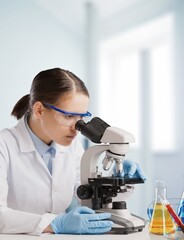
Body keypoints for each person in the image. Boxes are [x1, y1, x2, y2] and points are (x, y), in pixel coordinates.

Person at [0, 68, 146, 235]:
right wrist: (55, 223)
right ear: (39, 110)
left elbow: (88, 199)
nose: (77, 127)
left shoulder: (73, 145)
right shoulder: (4, 145)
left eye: (82, 117)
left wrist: (118, 180)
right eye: (68, 116)